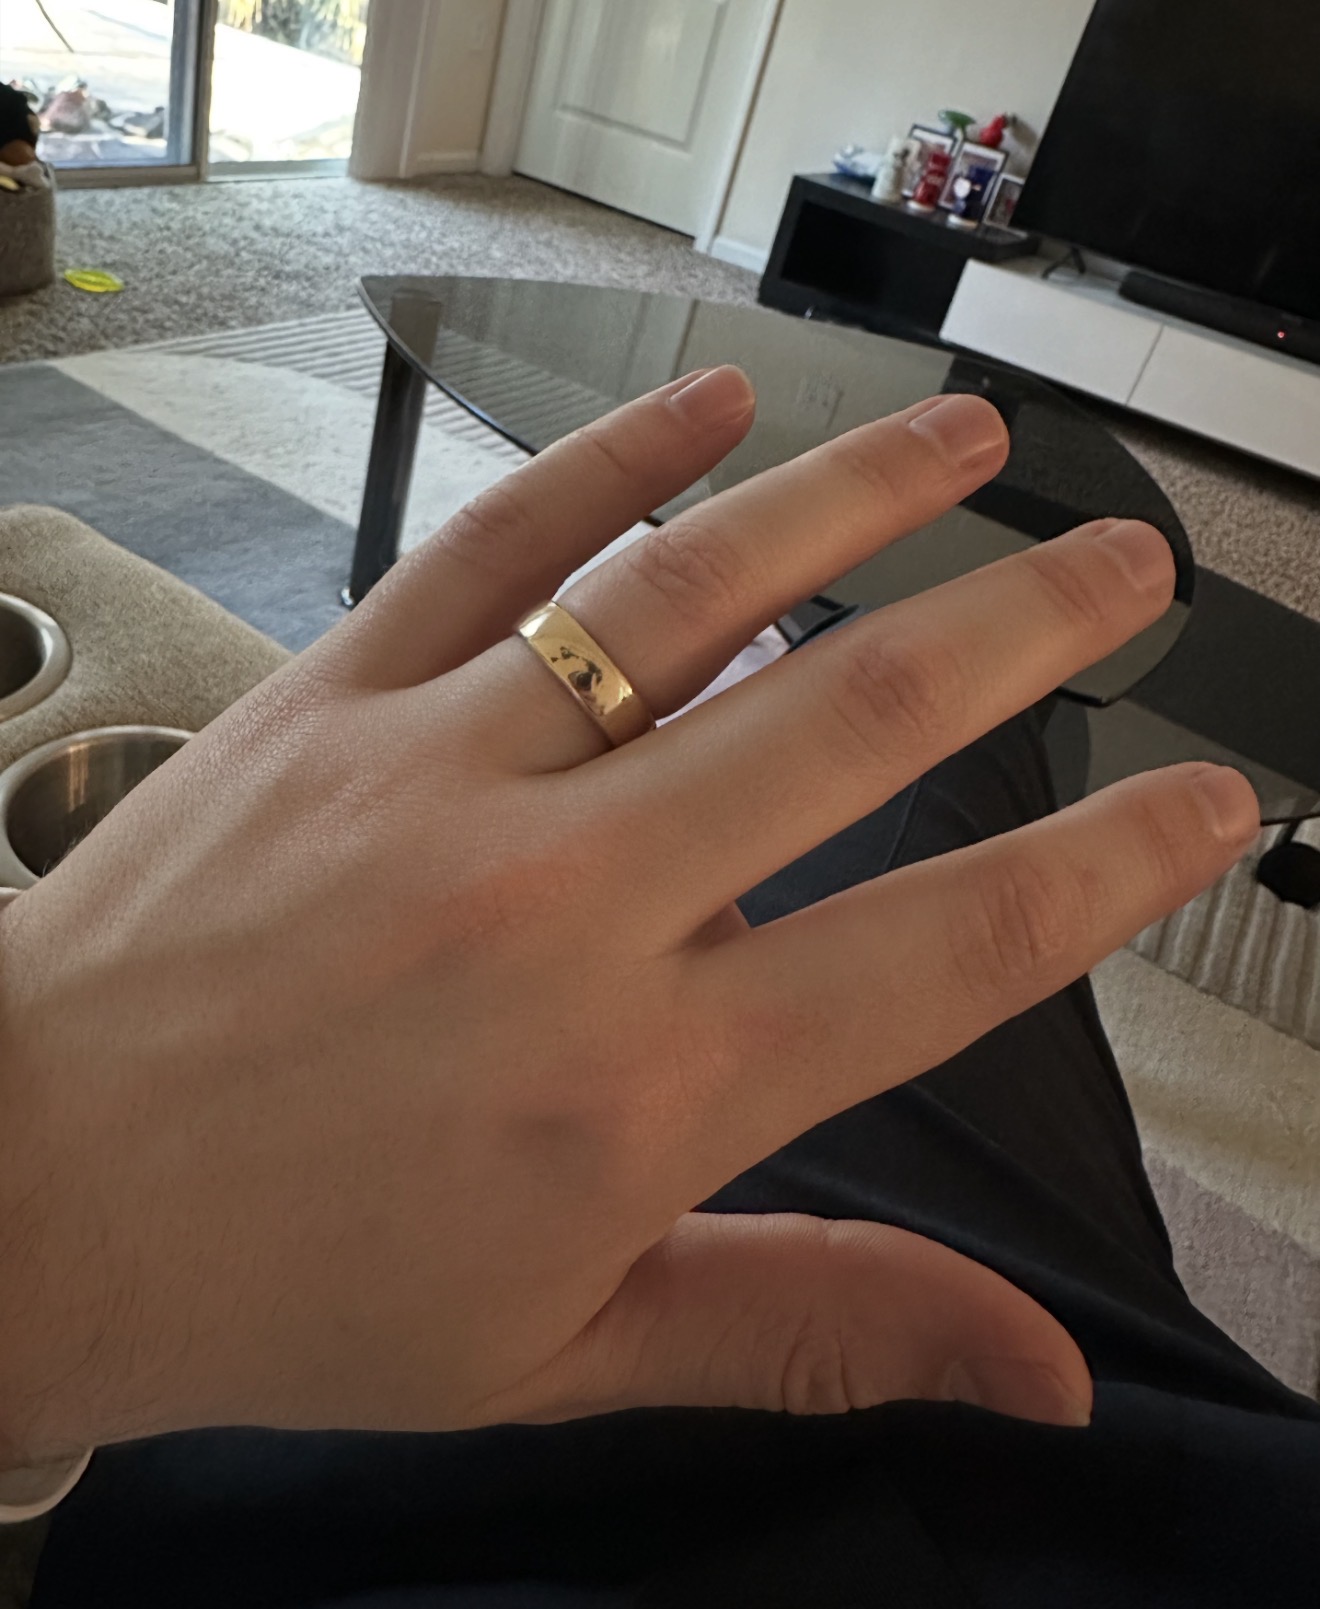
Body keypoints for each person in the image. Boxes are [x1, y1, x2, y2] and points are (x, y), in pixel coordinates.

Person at [0, 370, 1315, 1607]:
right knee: (942, 775)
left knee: (922, 767)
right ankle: (850, 679)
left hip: (195, 1480)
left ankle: (832, 677)